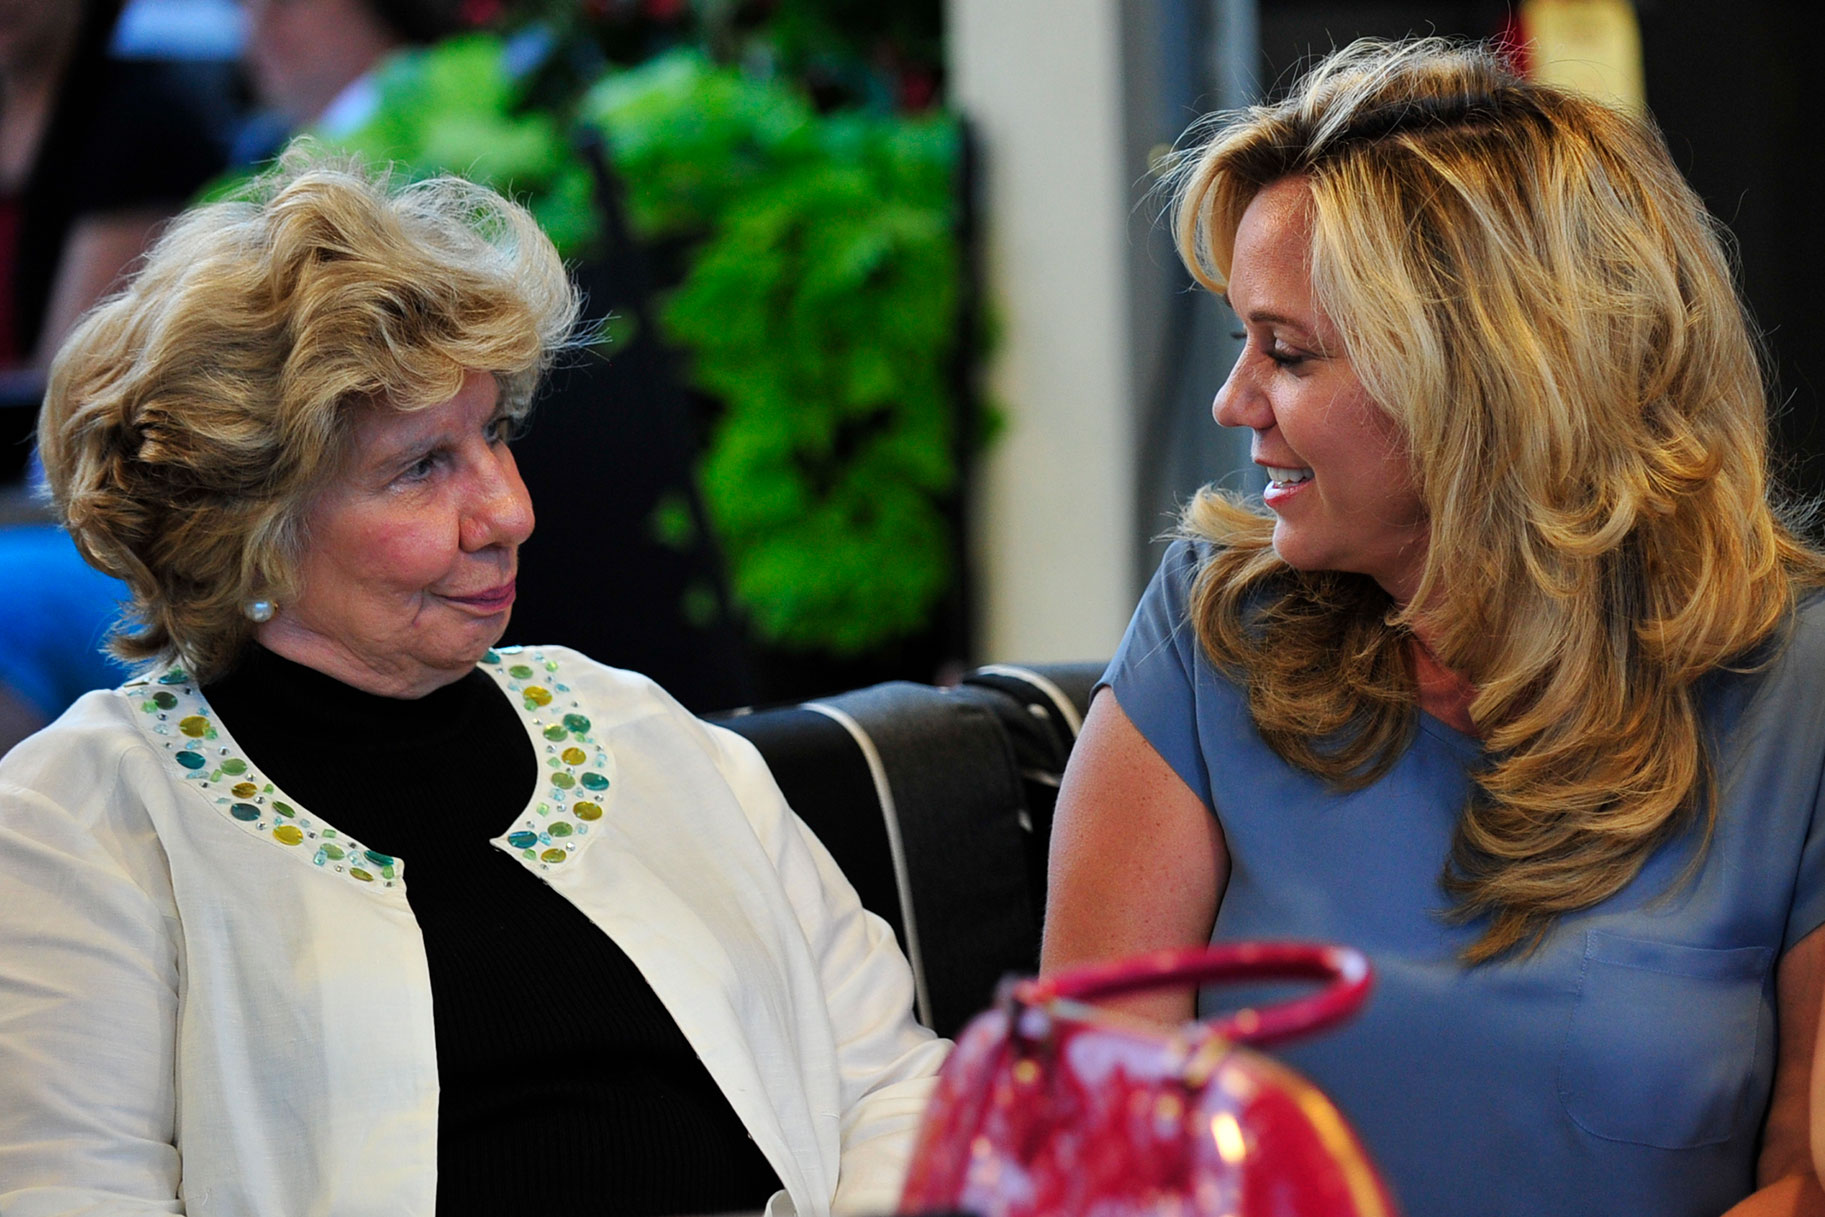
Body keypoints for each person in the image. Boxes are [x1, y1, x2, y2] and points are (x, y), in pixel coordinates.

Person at [0, 148, 945, 1215]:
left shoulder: (641, 733)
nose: (508, 512)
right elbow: (70, 1194)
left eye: (493, 432)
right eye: (420, 466)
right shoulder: (86, 824)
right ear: (249, 530)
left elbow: (898, 1085)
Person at [1041, 36, 1825, 1217]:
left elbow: (1806, 1177)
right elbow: (1093, 1134)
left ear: (1484, 379)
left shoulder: (1795, 684)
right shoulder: (1215, 631)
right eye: (1242, 339)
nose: (1232, 400)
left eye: (1289, 352)